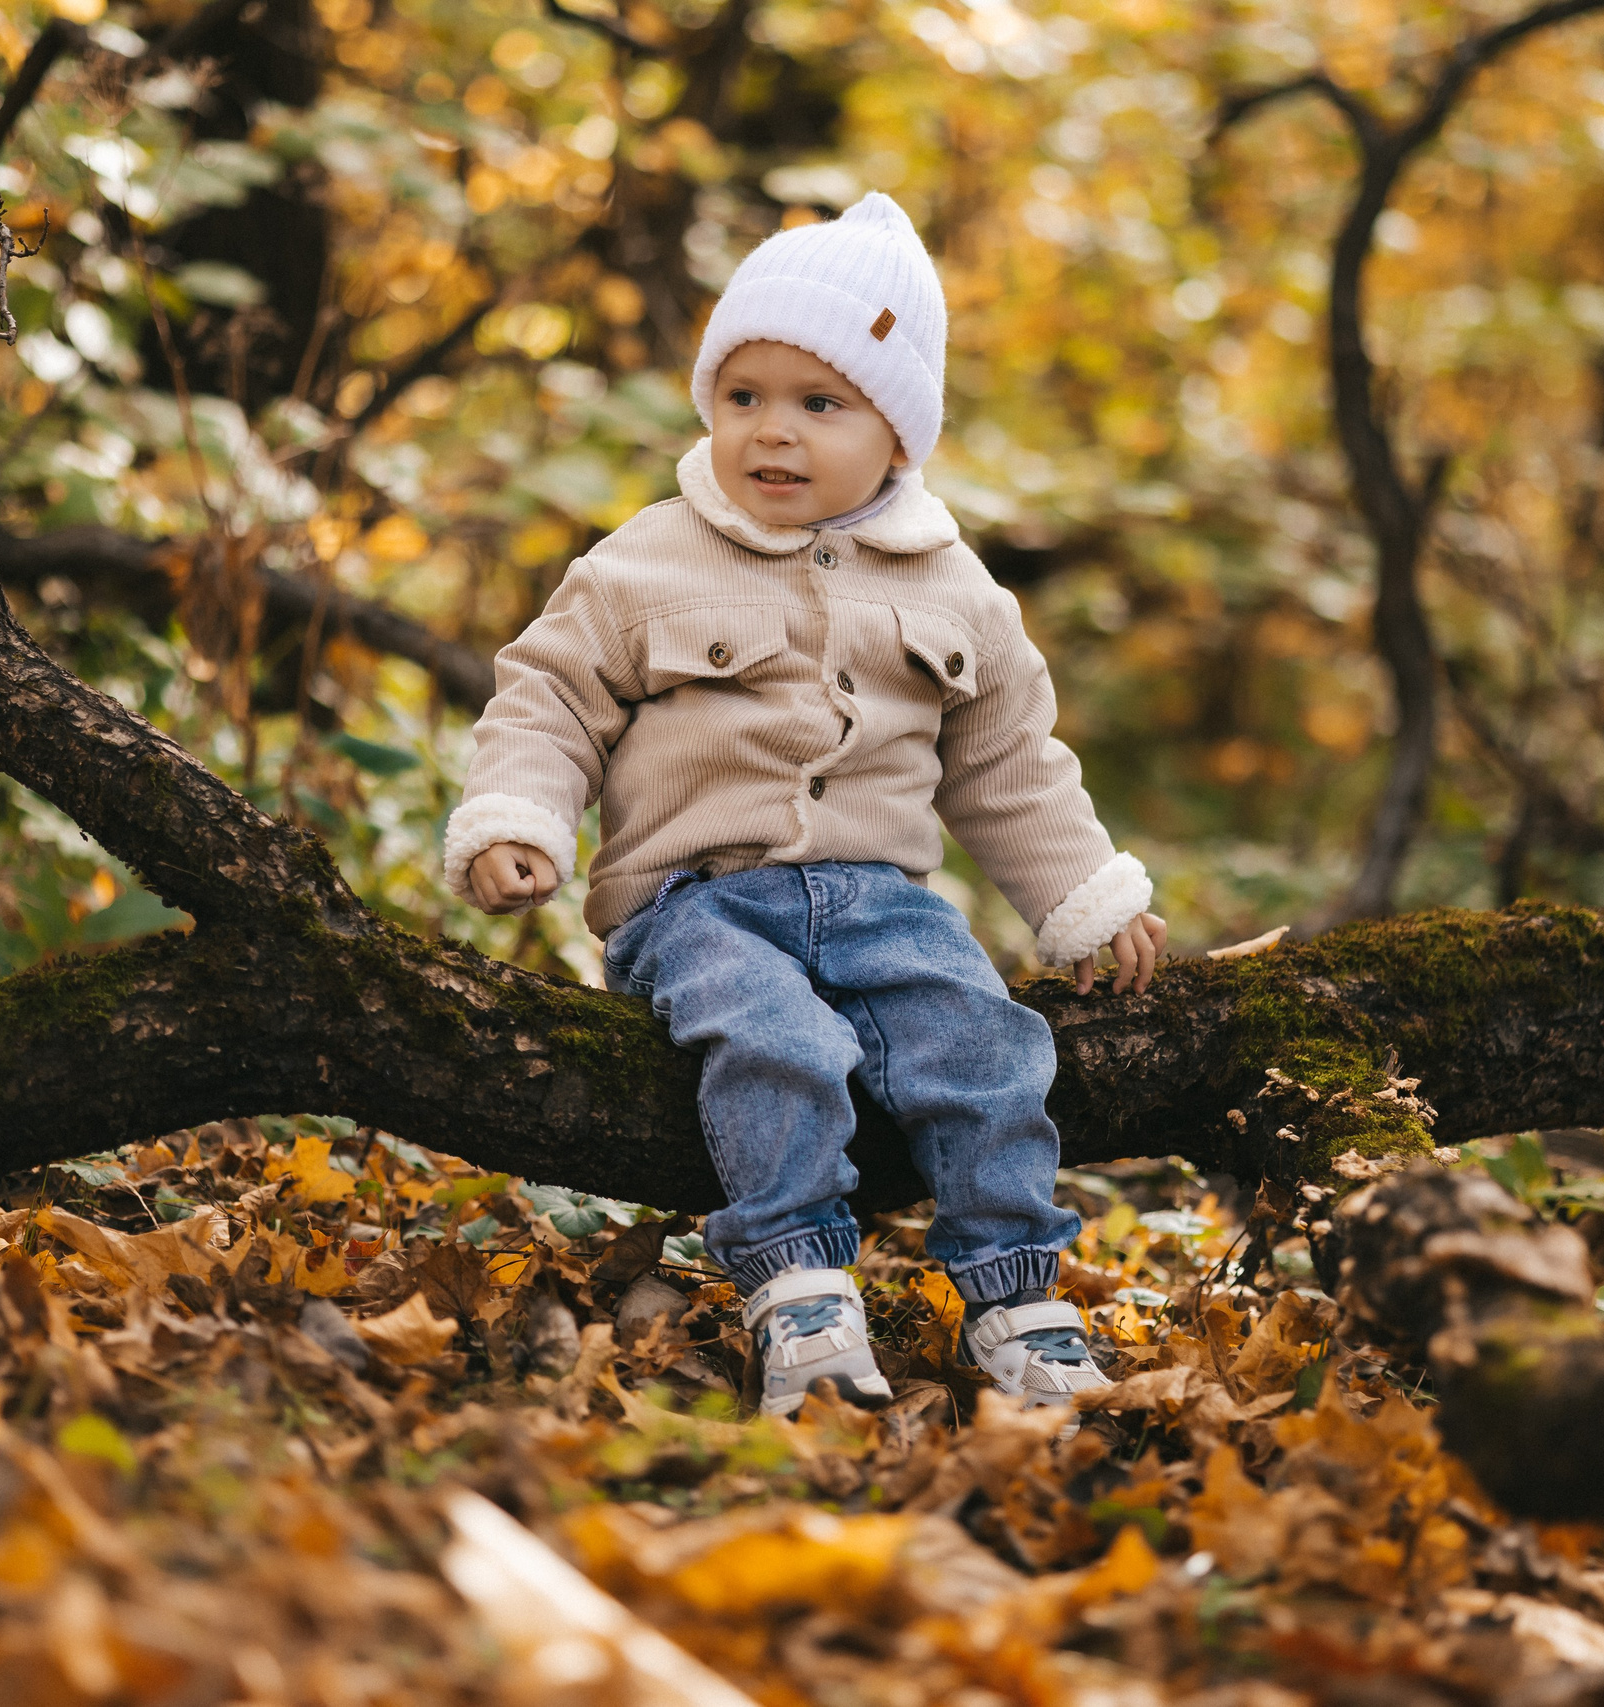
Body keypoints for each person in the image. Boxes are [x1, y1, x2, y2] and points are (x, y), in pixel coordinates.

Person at [443, 193, 1168, 1419]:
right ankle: (799, 1289)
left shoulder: (957, 589)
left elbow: (1010, 764)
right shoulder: (644, 560)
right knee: (777, 1044)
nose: (771, 431)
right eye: (743, 396)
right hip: (699, 904)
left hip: (885, 904)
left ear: (897, 433)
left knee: (987, 1048)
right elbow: (549, 699)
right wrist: (516, 818)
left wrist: (1083, 900)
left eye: (819, 404)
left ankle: (1016, 1297)